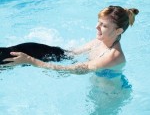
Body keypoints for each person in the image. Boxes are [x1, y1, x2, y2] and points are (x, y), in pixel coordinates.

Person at [3, 6, 139, 77]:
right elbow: (71, 54)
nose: (96, 27)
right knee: (28, 48)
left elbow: (73, 70)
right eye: (98, 22)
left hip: (107, 97)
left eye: (103, 25)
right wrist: (35, 52)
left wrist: (30, 61)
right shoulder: (100, 41)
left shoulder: (113, 57)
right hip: (94, 82)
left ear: (118, 31)